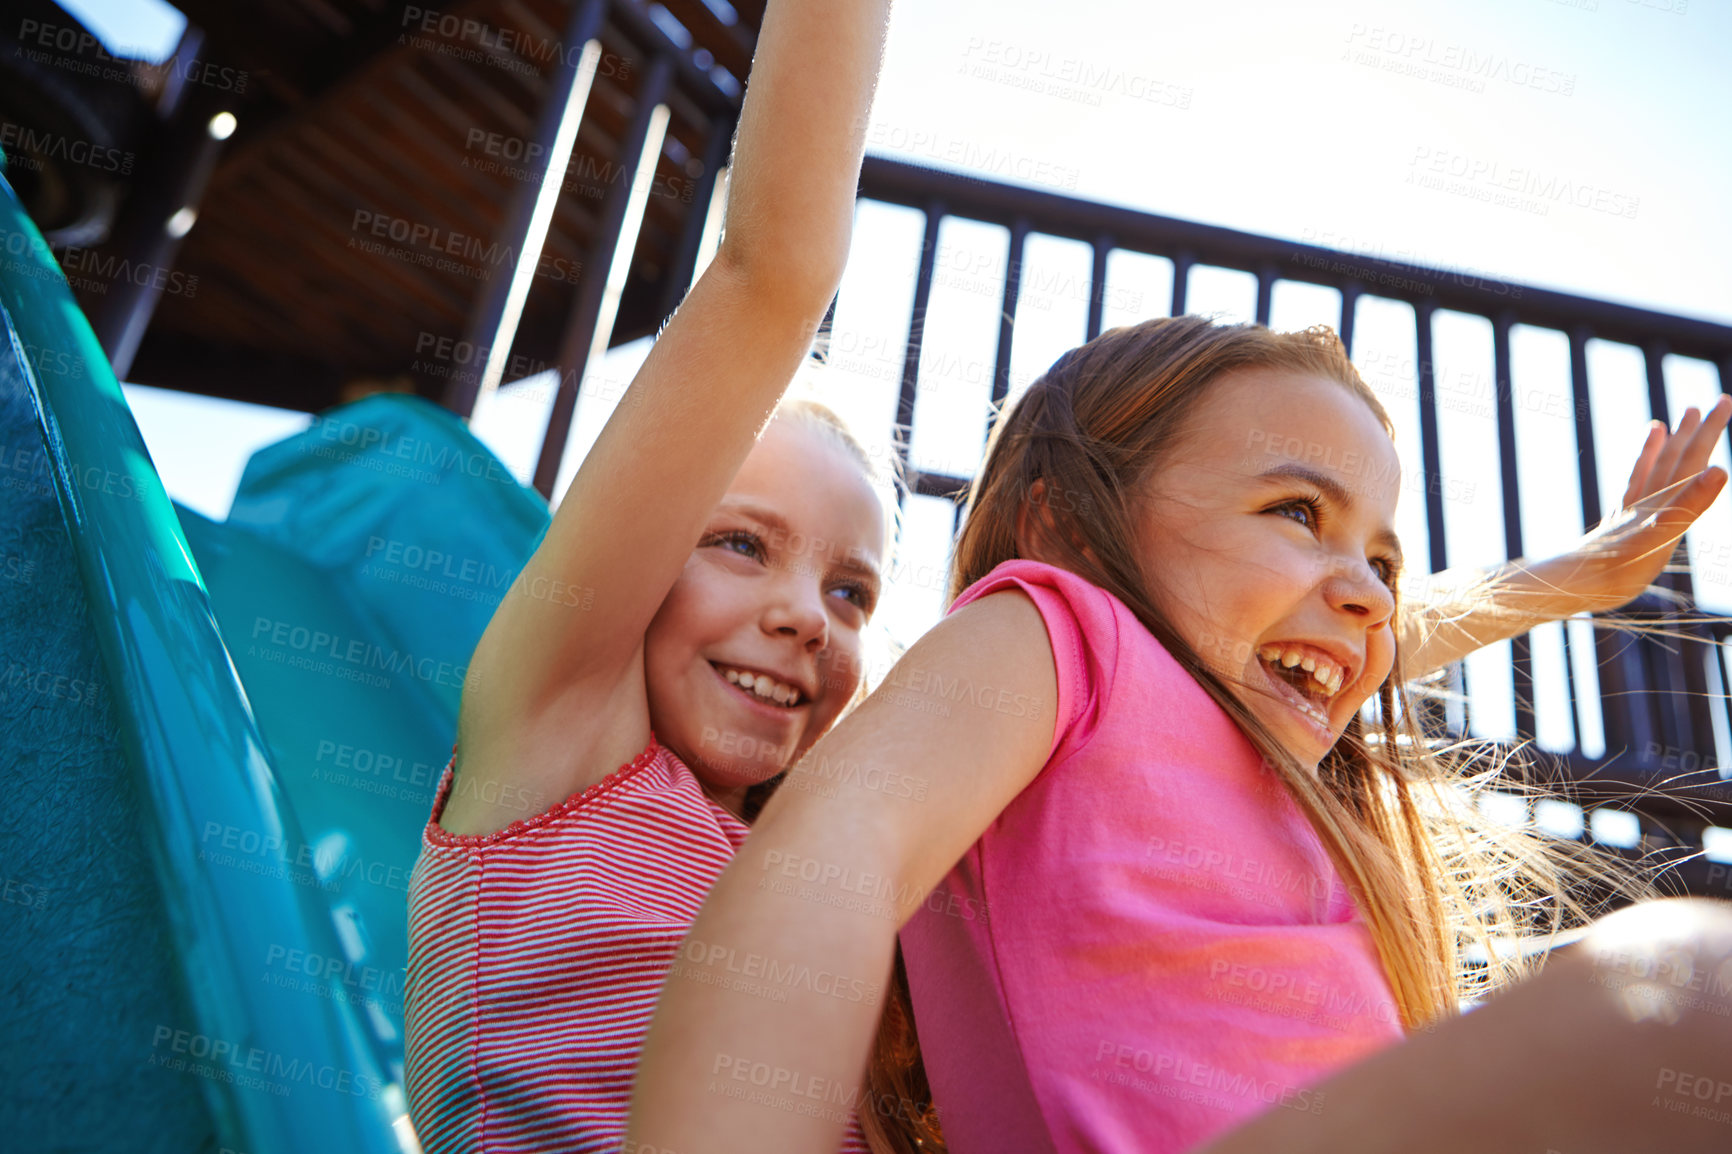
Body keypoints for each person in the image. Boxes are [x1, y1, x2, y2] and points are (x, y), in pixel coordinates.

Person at [624, 315, 1732, 1154]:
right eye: (1297, 512)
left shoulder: (1262, 731)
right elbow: (837, 851)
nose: (1369, 596)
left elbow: (1375, 628)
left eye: (1382, 563)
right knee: (1684, 990)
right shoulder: (1062, 635)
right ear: (1067, 521)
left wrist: (1572, 576)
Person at [401, 0, 899, 1150]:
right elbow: (774, 270)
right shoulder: (557, 747)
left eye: (852, 591)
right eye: (740, 541)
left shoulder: (828, 885)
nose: (804, 616)